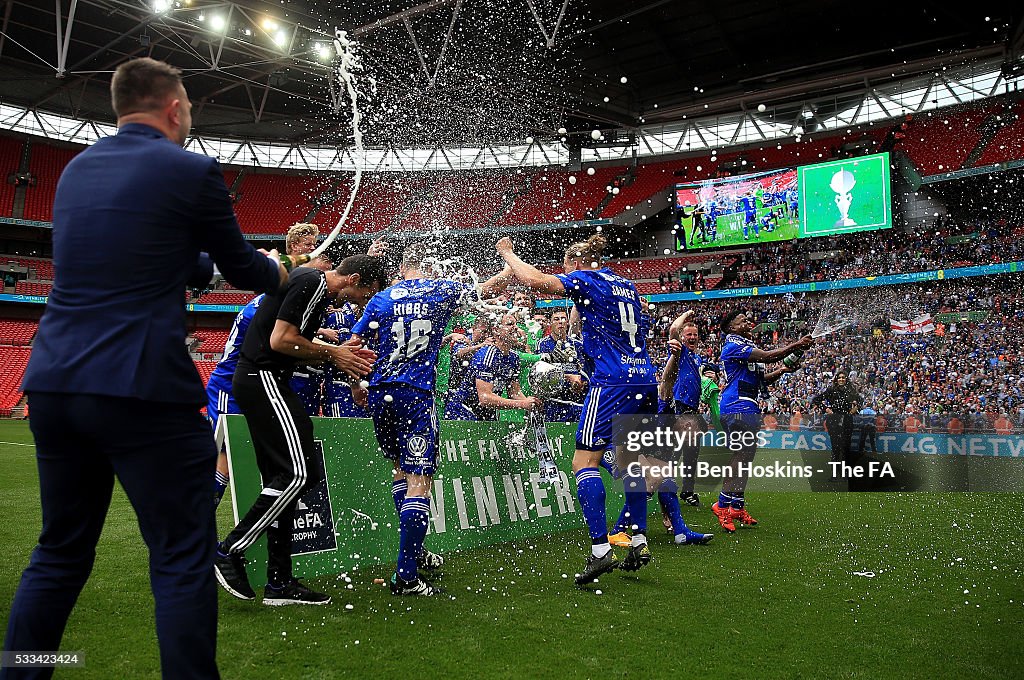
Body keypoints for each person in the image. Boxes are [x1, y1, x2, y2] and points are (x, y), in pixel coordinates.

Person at [3, 57, 285, 680]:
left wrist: (205, 263)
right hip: (140, 388)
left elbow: (169, 261)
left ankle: (21, 672)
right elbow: (242, 270)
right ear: (175, 109)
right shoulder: (191, 168)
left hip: (53, 383)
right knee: (180, 556)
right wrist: (278, 270)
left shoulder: (77, 172)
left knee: (59, 553)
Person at [213, 256, 386, 605]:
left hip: (266, 378)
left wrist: (334, 354)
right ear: (353, 279)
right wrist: (333, 353)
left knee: (285, 479)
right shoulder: (311, 281)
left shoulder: (315, 291)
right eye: (367, 293)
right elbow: (280, 341)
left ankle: (279, 583)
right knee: (298, 474)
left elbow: (293, 349)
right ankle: (229, 550)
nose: (364, 302)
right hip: (263, 378)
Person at [349, 243, 514, 595]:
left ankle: (415, 551)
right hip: (415, 394)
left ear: (402, 269)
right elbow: (489, 289)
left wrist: (356, 385)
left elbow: (353, 343)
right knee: (419, 480)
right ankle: (406, 575)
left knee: (399, 470)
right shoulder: (443, 289)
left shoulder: (383, 297)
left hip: (381, 391)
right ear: (429, 267)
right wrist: (506, 261)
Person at [496, 233, 659, 585]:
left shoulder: (587, 278)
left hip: (612, 381)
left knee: (584, 462)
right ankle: (639, 540)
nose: (567, 275)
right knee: (631, 460)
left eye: (568, 269)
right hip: (644, 379)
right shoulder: (625, 283)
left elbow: (535, 281)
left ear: (576, 265)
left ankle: (601, 551)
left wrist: (508, 254)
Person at [712, 311, 812, 534]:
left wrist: (783, 369)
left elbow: (761, 380)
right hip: (736, 405)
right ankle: (722, 504)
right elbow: (768, 356)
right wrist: (796, 344)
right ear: (731, 327)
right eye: (742, 320)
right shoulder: (732, 345)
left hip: (747, 405)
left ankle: (736, 507)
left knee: (746, 458)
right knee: (740, 455)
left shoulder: (745, 347)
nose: (748, 322)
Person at [444, 313, 542, 421]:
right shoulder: (487, 354)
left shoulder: (513, 357)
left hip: (486, 413)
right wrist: (522, 404)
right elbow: (485, 398)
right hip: (463, 412)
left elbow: (514, 393)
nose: (516, 328)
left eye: (516, 324)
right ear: (496, 330)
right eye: (510, 324)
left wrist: (532, 405)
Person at [537, 308, 586, 424]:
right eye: (556, 319)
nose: (560, 322)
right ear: (550, 323)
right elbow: (541, 372)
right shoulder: (543, 344)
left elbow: (586, 371)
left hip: (577, 401)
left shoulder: (578, 345)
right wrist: (569, 377)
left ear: (568, 322)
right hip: (554, 402)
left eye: (563, 319)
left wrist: (580, 381)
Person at [813, 372, 863, 468]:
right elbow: (816, 400)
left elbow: (860, 400)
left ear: (846, 379)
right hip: (834, 421)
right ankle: (835, 474)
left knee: (846, 447)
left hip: (847, 420)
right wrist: (826, 409)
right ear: (836, 379)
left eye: (843, 377)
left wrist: (853, 410)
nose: (841, 379)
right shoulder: (831, 390)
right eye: (839, 378)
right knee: (835, 447)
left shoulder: (850, 390)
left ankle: (846, 473)